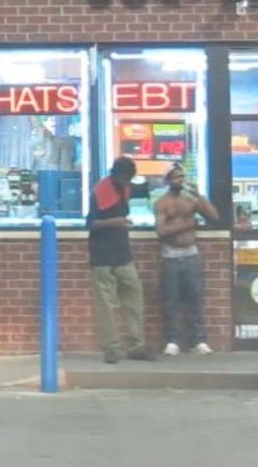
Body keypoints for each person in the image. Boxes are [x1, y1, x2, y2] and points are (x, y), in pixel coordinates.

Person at [87, 156, 156, 364]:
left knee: (134, 298)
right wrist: (115, 222)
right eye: (126, 178)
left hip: (122, 253)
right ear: (117, 175)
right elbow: (90, 223)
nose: (128, 183)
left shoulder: (124, 189)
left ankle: (137, 345)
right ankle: (111, 348)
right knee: (106, 305)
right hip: (102, 256)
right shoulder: (100, 191)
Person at [153, 163, 220, 356]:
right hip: (170, 257)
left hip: (191, 255)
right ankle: (172, 340)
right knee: (170, 301)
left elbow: (214, 216)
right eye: (175, 177)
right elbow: (161, 230)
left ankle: (198, 340)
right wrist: (188, 224)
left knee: (195, 299)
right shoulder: (161, 203)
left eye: (181, 177)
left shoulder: (189, 200)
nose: (179, 180)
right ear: (167, 180)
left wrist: (199, 195)